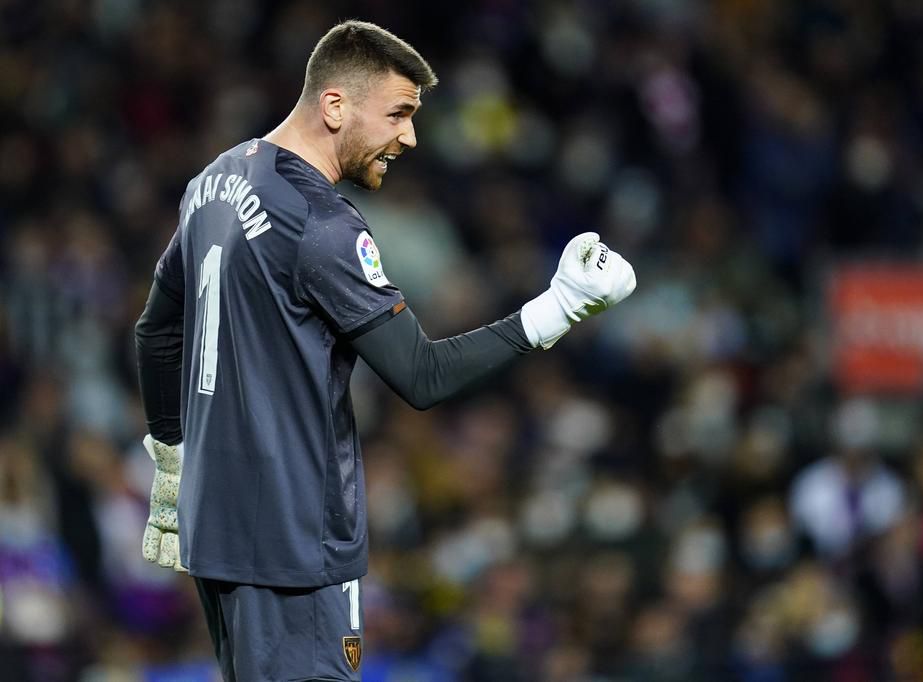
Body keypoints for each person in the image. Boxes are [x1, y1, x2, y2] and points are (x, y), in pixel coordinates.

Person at [134, 19, 635, 682]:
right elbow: (421, 377)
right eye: (398, 114)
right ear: (336, 105)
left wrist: (174, 460)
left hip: (217, 533)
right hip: (295, 544)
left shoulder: (213, 182)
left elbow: (156, 332)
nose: (410, 137)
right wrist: (557, 310)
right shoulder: (321, 224)